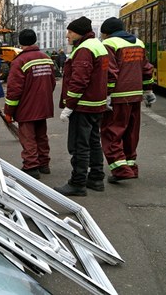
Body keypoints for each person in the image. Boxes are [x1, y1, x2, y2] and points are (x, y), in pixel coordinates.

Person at [54, 16, 109, 196]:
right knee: (94, 142)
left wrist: (69, 106)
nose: (67, 35)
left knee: (80, 145)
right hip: (97, 105)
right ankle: (96, 178)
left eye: (70, 32)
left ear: (79, 32)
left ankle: (77, 183)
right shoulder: (99, 46)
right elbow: (110, 75)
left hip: (83, 106)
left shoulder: (84, 49)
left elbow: (78, 81)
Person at [99, 17, 155, 183]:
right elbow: (146, 69)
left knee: (112, 132)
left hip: (117, 96)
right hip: (135, 95)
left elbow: (110, 71)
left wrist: (107, 94)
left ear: (106, 32)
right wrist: (148, 90)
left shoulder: (109, 44)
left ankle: (121, 171)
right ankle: (131, 167)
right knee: (131, 132)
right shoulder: (138, 43)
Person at [4, 29, 56, 179]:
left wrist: (9, 111)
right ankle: (44, 164)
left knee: (28, 138)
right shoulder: (46, 58)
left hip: (27, 107)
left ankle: (31, 166)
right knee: (41, 135)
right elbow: (51, 83)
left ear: (20, 43)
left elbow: (14, 90)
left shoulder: (19, 61)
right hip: (43, 105)